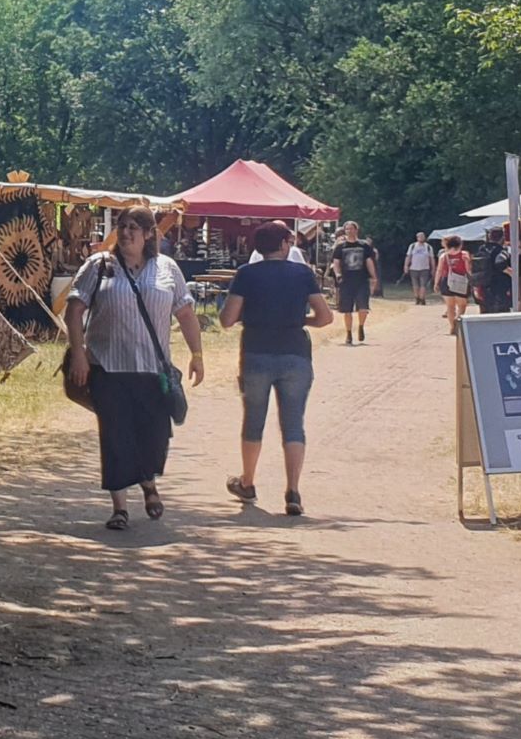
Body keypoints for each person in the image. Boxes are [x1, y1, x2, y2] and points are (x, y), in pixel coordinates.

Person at [64, 207, 204, 530]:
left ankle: (148, 482)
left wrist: (197, 353)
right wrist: (79, 353)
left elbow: (184, 314)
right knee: (116, 437)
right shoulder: (99, 267)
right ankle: (120, 509)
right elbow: (74, 312)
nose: (125, 233)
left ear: (149, 234)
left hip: (152, 371)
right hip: (108, 369)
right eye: (122, 227)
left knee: (154, 437)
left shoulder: (167, 269)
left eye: (133, 228)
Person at [222, 221, 331, 514]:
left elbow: (227, 319)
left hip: (256, 352)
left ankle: (248, 482)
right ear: (284, 244)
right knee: (293, 423)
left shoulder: (246, 274)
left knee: (253, 420)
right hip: (295, 353)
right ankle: (293, 490)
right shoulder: (302, 273)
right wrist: (299, 320)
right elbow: (325, 317)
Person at [328, 221, 379, 344]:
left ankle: (361, 326)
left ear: (356, 230)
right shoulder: (340, 247)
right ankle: (349, 333)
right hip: (346, 281)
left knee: (363, 308)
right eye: (347, 229)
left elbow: (369, 262)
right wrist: (338, 274)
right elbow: (336, 262)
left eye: (351, 229)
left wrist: (374, 277)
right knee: (347, 310)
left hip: (361, 280)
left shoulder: (364, 245)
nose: (349, 231)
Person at [434, 236, 472, 333]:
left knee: (450, 306)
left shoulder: (443, 256)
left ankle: (452, 326)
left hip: (446, 281)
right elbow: (468, 269)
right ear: (460, 244)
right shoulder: (464, 254)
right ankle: (458, 324)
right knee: (462, 305)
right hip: (461, 281)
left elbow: (439, 270)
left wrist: (436, 283)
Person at [476, 225, 515, 314]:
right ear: (502, 237)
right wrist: (511, 273)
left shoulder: (482, 249)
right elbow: (500, 263)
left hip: (484, 284)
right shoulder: (500, 250)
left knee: (487, 311)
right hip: (499, 285)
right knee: (501, 311)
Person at [404, 233, 434, 305]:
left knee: (423, 285)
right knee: (415, 285)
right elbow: (408, 256)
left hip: (425, 268)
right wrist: (406, 266)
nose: (421, 238)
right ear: (417, 238)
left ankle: (422, 298)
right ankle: (417, 298)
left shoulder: (428, 247)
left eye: (422, 237)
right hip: (413, 268)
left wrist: (433, 268)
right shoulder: (412, 246)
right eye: (419, 237)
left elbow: (432, 258)